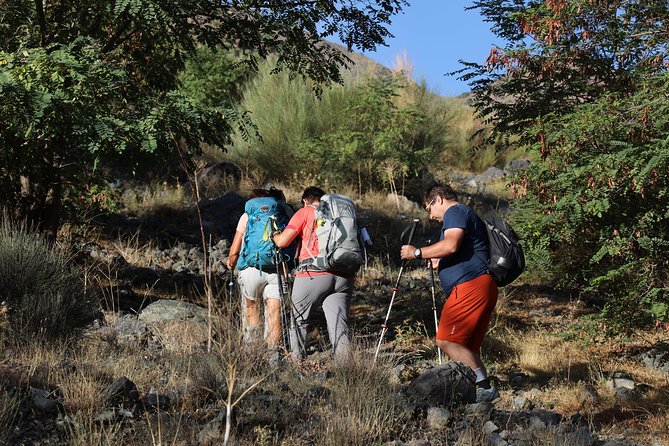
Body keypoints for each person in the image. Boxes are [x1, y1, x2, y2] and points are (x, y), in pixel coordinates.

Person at [400, 183, 500, 402]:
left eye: (429, 209)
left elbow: (451, 244)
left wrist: (417, 252)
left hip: (469, 286)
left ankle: (485, 387)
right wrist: (438, 258)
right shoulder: (465, 213)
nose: (432, 216)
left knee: (446, 340)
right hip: (481, 285)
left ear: (439, 199)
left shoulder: (455, 211)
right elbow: (458, 249)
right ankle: (479, 395)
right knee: (467, 348)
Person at [272, 186, 352, 361]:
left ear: (305, 200)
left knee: (298, 321)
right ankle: (348, 371)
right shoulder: (339, 212)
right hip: (343, 274)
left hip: (313, 273)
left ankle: (296, 364)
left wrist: (275, 236)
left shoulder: (305, 211)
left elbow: (283, 242)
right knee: (339, 326)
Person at [226, 187, 293, 361]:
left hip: (250, 269)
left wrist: (231, 262)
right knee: (274, 311)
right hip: (276, 267)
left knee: (251, 307)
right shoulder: (280, 213)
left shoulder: (247, 215)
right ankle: (273, 355)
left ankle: (252, 353)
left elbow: (236, 246)